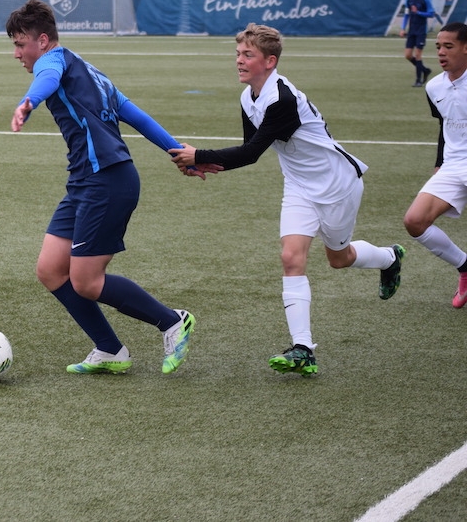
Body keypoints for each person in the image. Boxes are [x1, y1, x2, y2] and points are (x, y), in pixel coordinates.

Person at [169, 23, 404, 377]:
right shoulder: (248, 97)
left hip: (337, 184)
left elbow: (250, 153)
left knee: (339, 259)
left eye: (248, 55)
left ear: (270, 61)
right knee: (291, 257)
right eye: (238, 54)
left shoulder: (282, 99)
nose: (239, 60)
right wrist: (203, 163)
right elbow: (249, 148)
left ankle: (389, 257)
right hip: (298, 186)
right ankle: (303, 349)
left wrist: (198, 154)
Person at [6, 0, 196, 375]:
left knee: (86, 281)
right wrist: (178, 152)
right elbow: (138, 117)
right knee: (50, 269)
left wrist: (28, 102)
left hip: (107, 180)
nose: (16, 54)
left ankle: (173, 321)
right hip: (85, 181)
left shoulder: (51, 61)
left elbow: (47, 78)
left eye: (20, 44)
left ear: (42, 41)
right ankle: (110, 349)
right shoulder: (92, 73)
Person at [403, 22, 467, 308]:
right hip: (454, 165)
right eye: (438, 46)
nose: (441, 52)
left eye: (448, 46)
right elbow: (445, 123)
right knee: (414, 221)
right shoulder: (434, 86)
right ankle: (465, 266)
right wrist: (440, 162)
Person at [402, 0, 436, 87]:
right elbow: (406, 15)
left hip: (421, 31)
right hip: (412, 31)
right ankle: (425, 70)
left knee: (417, 55)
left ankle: (418, 80)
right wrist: (403, 28)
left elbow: (431, 13)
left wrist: (419, 13)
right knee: (408, 55)